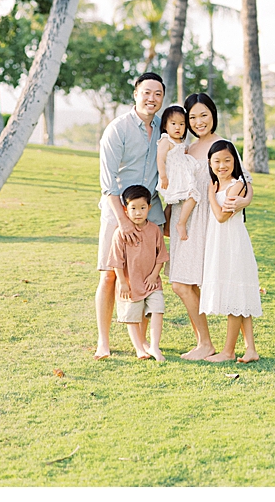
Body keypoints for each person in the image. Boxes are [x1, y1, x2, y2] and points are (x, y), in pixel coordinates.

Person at [166, 93, 252, 360]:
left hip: (208, 221)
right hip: (184, 219)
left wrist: (241, 202)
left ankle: (215, 344)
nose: (198, 121)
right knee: (183, 284)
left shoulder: (222, 145)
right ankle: (204, 343)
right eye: (192, 117)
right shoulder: (187, 148)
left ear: (213, 114)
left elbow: (245, 181)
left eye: (204, 114)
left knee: (187, 283)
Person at [95, 71, 166, 360]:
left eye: (158, 94)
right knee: (110, 275)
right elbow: (108, 182)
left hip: (151, 213)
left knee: (144, 279)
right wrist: (123, 220)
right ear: (135, 94)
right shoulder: (118, 128)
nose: (152, 98)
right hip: (118, 211)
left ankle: (143, 342)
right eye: (146, 92)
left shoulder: (163, 128)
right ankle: (103, 341)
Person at [200, 139, 262, 363]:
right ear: (210, 162)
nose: (222, 165)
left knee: (236, 294)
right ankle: (251, 349)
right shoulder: (217, 184)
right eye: (217, 161)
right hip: (221, 243)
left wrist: (210, 196)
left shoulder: (235, 185)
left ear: (235, 162)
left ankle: (228, 351)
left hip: (233, 244)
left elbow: (221, 216)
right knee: (240, 295)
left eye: (227, 160)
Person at [108, 184, 170, 362]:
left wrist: (153, 276)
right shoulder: (120, 234)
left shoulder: (154, 231)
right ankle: (139, 349)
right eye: (133, 208)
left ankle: (155, 347)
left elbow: (161, 256)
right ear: (125, 210)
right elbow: (116, 261)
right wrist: (122, 282)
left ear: (149, 208)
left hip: (152, 282)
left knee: (158, 310)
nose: (138, 213)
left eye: (142, 208)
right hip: (130, 284)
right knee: (132, 317)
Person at [156, 105, 199, 242]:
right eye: (173, 123)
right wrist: (163, 176)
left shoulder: (180, 142)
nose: (177, 127)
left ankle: (167, 227)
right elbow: (160, 159)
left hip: (182, 176)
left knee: (172, 203)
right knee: (193, 195)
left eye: (181, 124)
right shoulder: (165, 140)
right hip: (172, 178)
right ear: (165, 125)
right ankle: (181, 223)